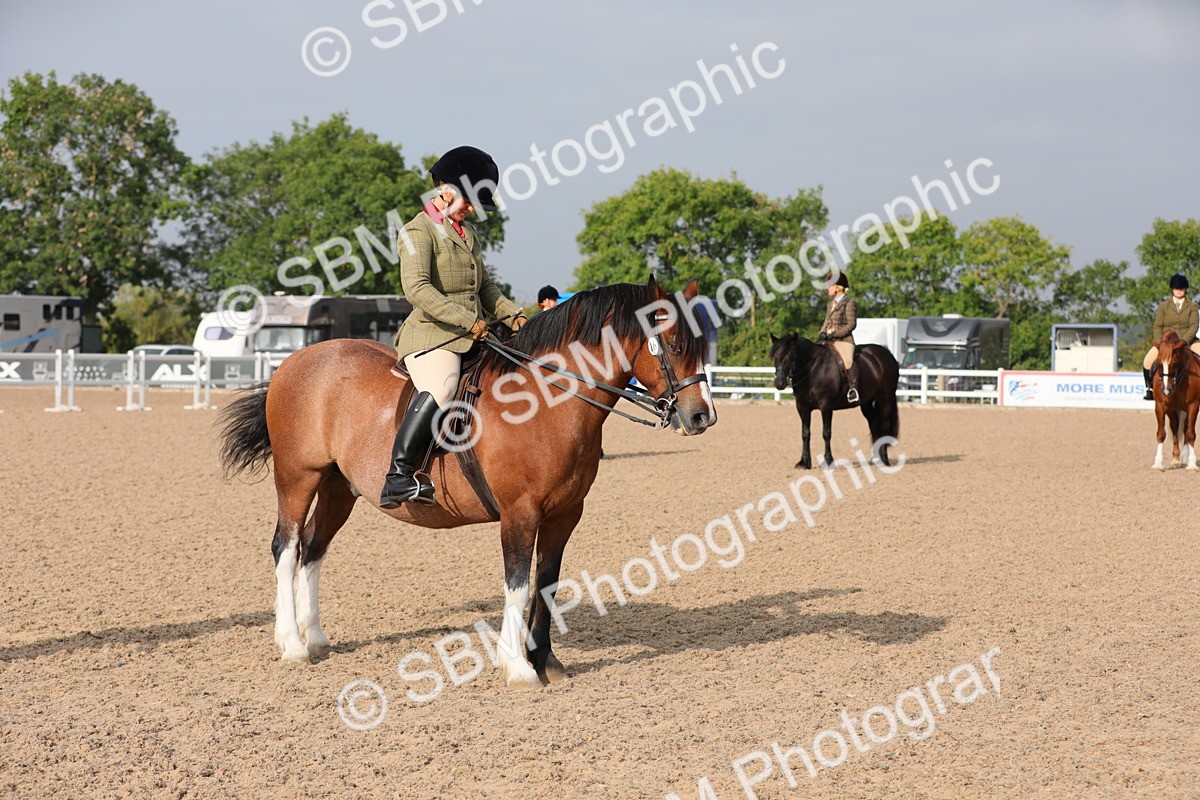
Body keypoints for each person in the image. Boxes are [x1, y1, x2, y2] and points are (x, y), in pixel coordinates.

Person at [381, 146, 527, 508]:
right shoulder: (416, 232)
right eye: (470, 200)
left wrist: (514, 315)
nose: (472, 208)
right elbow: (417, 289)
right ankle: (398, 476)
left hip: (474, 332)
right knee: (444, 386)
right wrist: (468, 321)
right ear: (446, 189)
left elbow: (486, 287)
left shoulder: (468, 234)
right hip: (432, 336)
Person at [1142, 273, 1200, 401]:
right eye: (1176, 288)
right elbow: (1157, 326)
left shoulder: (1192, 306)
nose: (1179, 291)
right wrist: (1160, 343)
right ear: (1172, 289)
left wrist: (1184, 341)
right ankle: (1150, 389)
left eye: (1181, 288)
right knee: (1147, 361)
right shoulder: (1164, 306)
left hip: (1188, 341)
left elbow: (1194, 326)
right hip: (1166, 343)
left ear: (1185, 289)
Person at [818, 272, 859, 403]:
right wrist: (821, 333)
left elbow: (851, 324)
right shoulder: (830, 304)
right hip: (829, 340)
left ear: (838, 287)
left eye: (829, 286)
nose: (827, 289)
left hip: (844, 340)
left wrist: (835, 334)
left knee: (847, 362)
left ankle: (853, 389)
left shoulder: (850, 302)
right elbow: (827, 321)